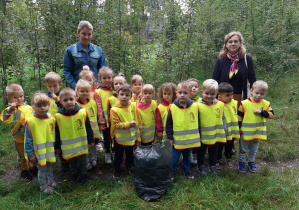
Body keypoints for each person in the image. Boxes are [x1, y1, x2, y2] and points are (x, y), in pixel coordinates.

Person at [55, 88, 93, 183]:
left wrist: (90, 141)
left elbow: (88, 128)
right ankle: (74, 175)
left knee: (83, 160)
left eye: (71, 99)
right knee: (72, 162)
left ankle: (84, 175)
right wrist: (58, 147)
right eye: (65, 100)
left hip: (82, 144)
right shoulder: (59, 117)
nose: (69, 102)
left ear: (76, 98)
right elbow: (57, 133)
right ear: (61, 101)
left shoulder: (82, 113)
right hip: (69, 147)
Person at [166, 81, 201, 179]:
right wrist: (170, 137)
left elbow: (198, 122)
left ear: (190, 94)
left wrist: (199, 136)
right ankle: (172, 172)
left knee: (187, 157)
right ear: (176, 93)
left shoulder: (195, 106)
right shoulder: (172, 108)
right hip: (177, 140)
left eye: (185, 93)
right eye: (180, 92)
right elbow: (168, 124)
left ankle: (187, 170)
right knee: (175, 158)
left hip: (189, 139)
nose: (182, 95)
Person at [0, 84, 36, 180]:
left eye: (21, 96)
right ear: (9, 98)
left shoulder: (28, 107)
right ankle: (24, 171)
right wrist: (12, 108)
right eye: (15, 97)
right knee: (21, 154)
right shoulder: (9, 110)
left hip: (30, 135)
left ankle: (33, 167)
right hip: (18, 136)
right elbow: (4, 118)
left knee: (31, 151)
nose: (19, 99)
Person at [238, 80, 274, 173]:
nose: (258, 95)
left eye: (261, 94)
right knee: (243, 149)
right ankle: (241, 162)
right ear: (251, 91)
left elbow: (271, 115)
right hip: (245, 132)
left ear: (265, 93)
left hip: (257, 132)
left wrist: (261, 112)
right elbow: (239, 117)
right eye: (256, 93)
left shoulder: (266, 104)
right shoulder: (244, 103)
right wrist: (239, 128)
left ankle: (251, 161)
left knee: (253, 149)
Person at [212, 31, 256, 106]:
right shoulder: (221, 60)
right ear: (226, 44)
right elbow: (214, 80)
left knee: (239, 117)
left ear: (240, 43)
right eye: (230, 42)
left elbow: (252, 79)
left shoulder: (247, 59)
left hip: (241, 96)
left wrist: (255, 95)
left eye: (236, 41)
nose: (233, 44)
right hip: (223, 97)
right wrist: (213, 96)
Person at [24, 93, 57, 193]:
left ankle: (51, 180)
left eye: (45, 105)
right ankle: (43, 186)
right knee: (42, 168)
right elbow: (28, 140)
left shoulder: (51, 119)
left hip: (49, 150)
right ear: (33, 106)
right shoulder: (30, 121)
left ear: (49, 105)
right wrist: (30, 154)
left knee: (49, 166)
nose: (42, 108)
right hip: (38, 152)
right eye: (39, 106)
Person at [110, 84, 142, 178]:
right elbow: (116, 125)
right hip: (119, 138)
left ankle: (131, 168)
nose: (124, 97)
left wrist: (139, 130)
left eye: (127, 95)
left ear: (131, 95)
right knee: (118, 156)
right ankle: (117, 171)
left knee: (130, 155)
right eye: (122, 94)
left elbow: (138, 118)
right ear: (117, 94)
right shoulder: (114, 110)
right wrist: (128, 124)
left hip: (131, 137)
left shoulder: (133, 105)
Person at [63, 20, 106, 89]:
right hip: (78, 90)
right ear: (78, 33)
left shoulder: (98, 50)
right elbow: (67, 71)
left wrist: (100, 86)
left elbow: (103, 71)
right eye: (84, 34)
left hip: (95, 90)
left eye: (89, 34)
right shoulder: (70, 50)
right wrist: (76, 86)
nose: (86, 37)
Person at [197, 79, 227, 175]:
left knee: (213, 151)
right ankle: (201, 166)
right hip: (202, 135)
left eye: (212, 94)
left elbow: (223, 118)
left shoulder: (220, 105)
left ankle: (213, 166)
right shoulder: (197, 106)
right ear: (202, 92)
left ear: (217, 94)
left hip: (215, 134)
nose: (209, 96)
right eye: (207, 93)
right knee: (201, 151)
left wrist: (225, 130)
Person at [76, 79, 101, 170]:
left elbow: (96, 114)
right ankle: (86, 160)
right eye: (82, 91)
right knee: (85, 144)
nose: (84, 93)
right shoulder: (76, 105)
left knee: (93, 143)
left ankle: (94, 157)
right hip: (83, 130)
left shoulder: (92, 102)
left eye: (87, 91)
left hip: (93, 129)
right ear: (77, 92)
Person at [216, 83, 240, 169]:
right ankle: (217, 159)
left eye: (231, 95)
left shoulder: (234, 102)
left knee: (230, 144)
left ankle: (228, 157)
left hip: (232, 129)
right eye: (227, 95)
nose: (230, 97)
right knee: (220, 145)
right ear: (219, 95)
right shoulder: (217, 104)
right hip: (222, 130)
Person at [94, 67, 114, 164]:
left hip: (115, 120)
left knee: (114, 137)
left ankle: (114, 152)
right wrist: (101, 122)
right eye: (104, 78)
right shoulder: (98, 92)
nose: (107, 80)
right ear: (100, 79)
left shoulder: (115, 90)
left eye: (109, 77)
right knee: (106, 138)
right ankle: (107, 153)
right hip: (105, 121)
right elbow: (99, 108)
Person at [187, 78, 202, 165]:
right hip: (187, 125)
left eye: (195, 87)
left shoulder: (200, 101)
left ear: (199, 90)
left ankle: (194, 154)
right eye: (191, 86)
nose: (193, 88)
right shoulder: (183, 99)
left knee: (196, 140)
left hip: (197, 125)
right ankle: (187, 155)